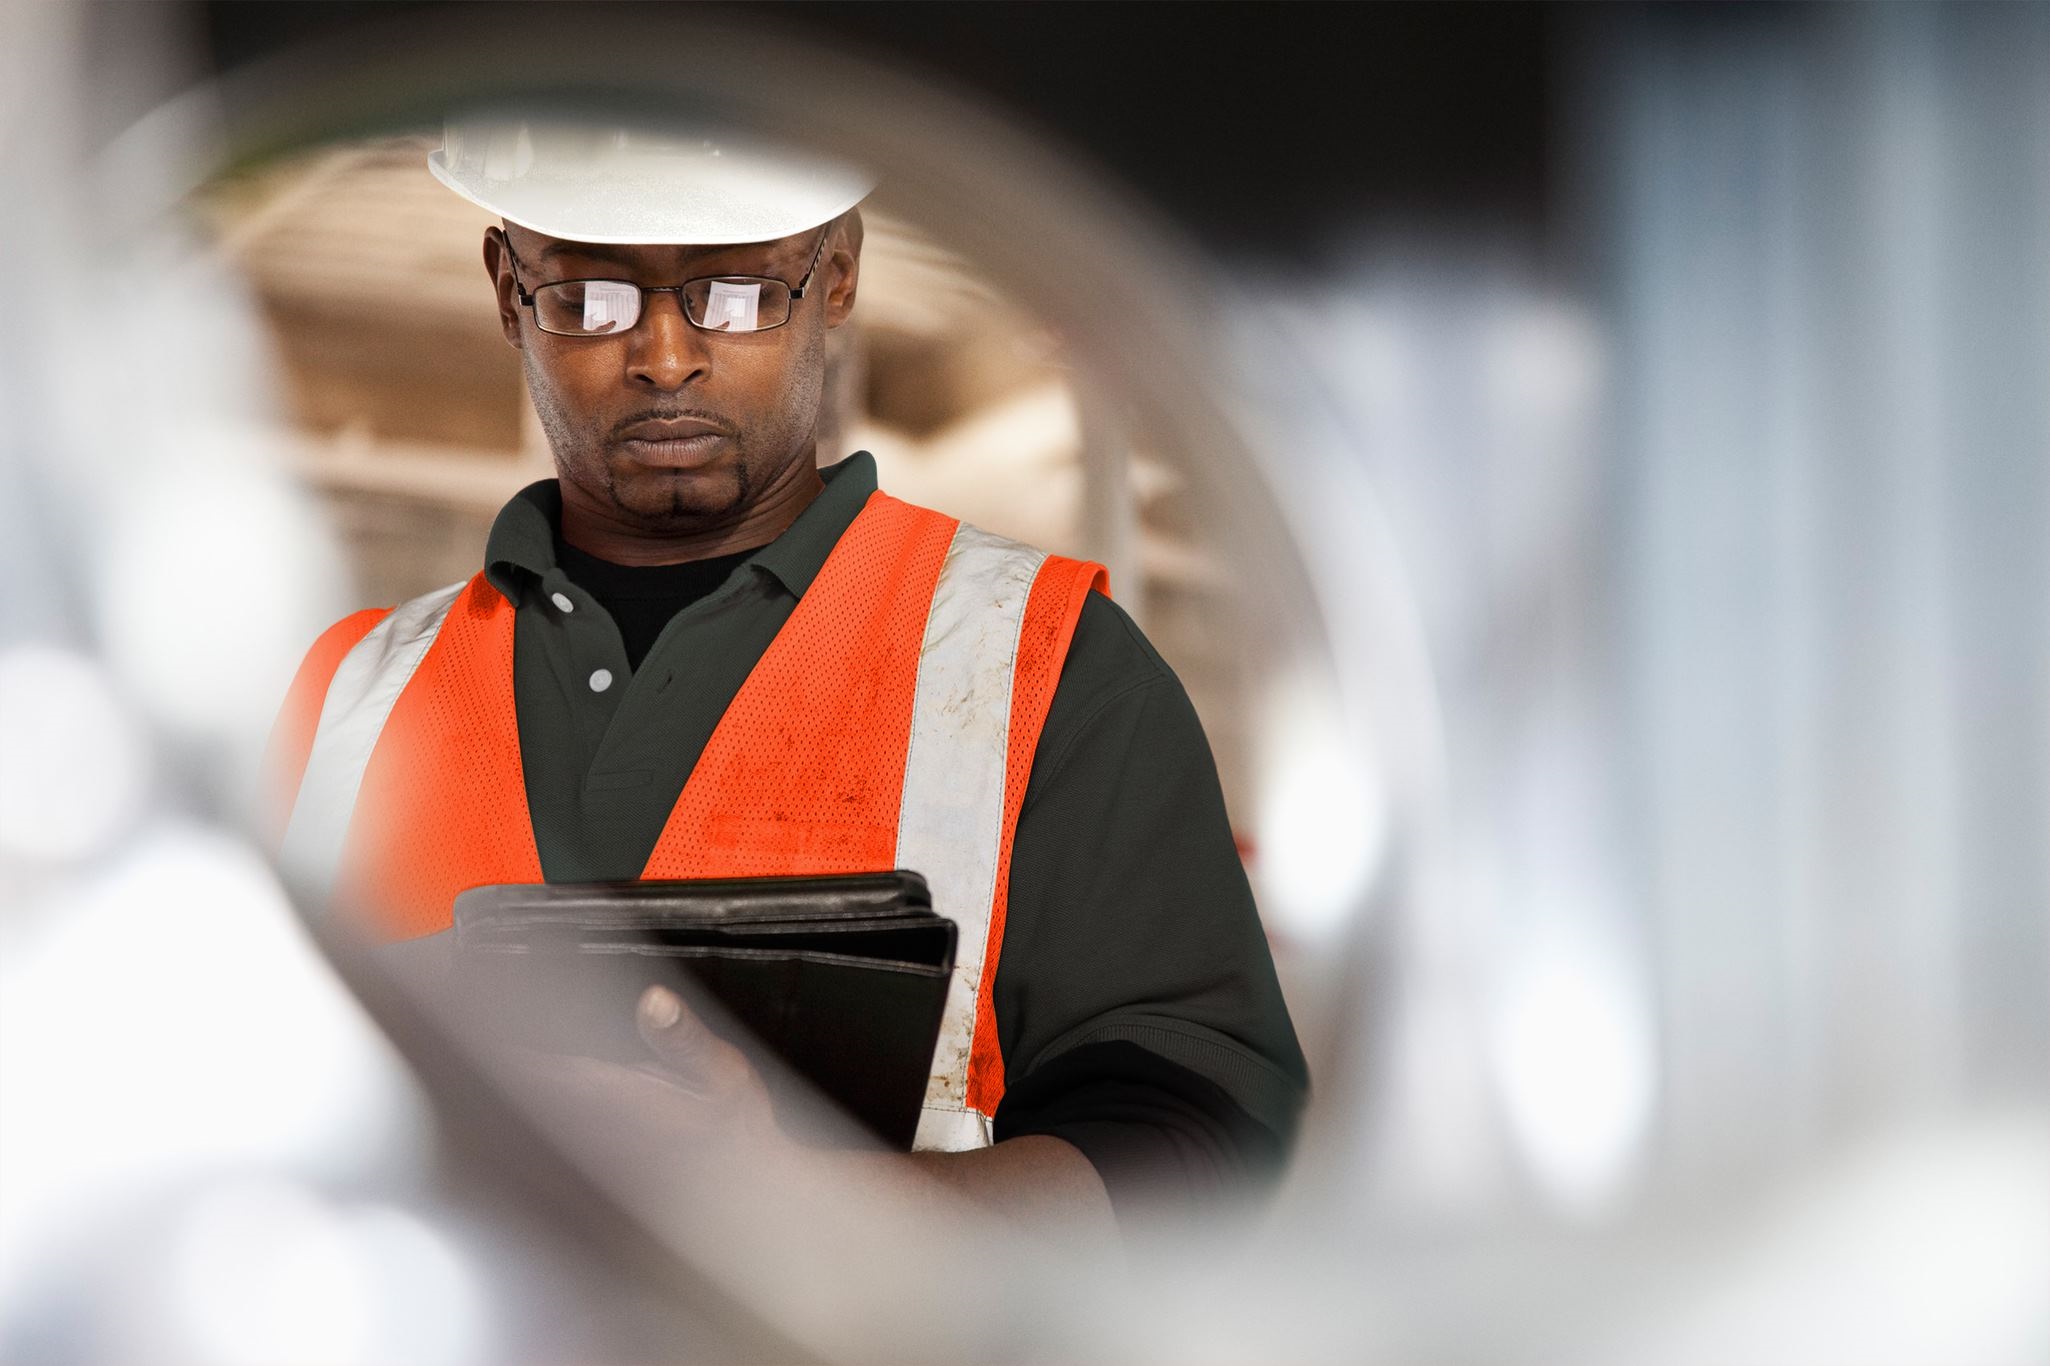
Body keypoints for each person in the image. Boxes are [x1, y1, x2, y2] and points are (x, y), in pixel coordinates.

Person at [266, 113, 1307, 1239]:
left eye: (738, 292)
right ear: (508, 290)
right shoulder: (344, 697)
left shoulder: (1047, 667)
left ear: (838, 276)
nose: (665, 355)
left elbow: (1198, 1144)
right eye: (591, 298)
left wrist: (798, 1210)